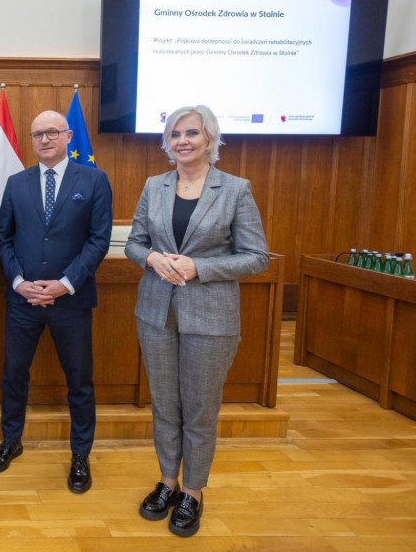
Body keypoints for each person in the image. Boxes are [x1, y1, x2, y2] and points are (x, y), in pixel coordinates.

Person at [125, 104, 268, 537]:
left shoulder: (236, 189)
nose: (182, 141)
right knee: (165, 404)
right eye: (175, 134)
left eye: (192, 133)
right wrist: (150, 257)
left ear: (210, 138)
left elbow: (257, 257)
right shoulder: (155, 185)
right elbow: (134, 243)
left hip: (210, 317)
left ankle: (194, 491)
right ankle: (167, 481)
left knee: (200, 410)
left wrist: (199, 268)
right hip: (156, 312)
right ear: (167, 143)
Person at [0, 110, 113, 494]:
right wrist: (19, 281)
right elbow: (2, 238)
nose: (44, 139)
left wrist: (65, 283)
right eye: (37, 133)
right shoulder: (16, 182)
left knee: (79, 381)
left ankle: (80, 455)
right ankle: (12, 441)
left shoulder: (93, 180)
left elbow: (98, 240)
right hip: (22, 300)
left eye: (52, 132)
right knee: (14, 375)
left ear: (68, 135)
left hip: (71, 303)